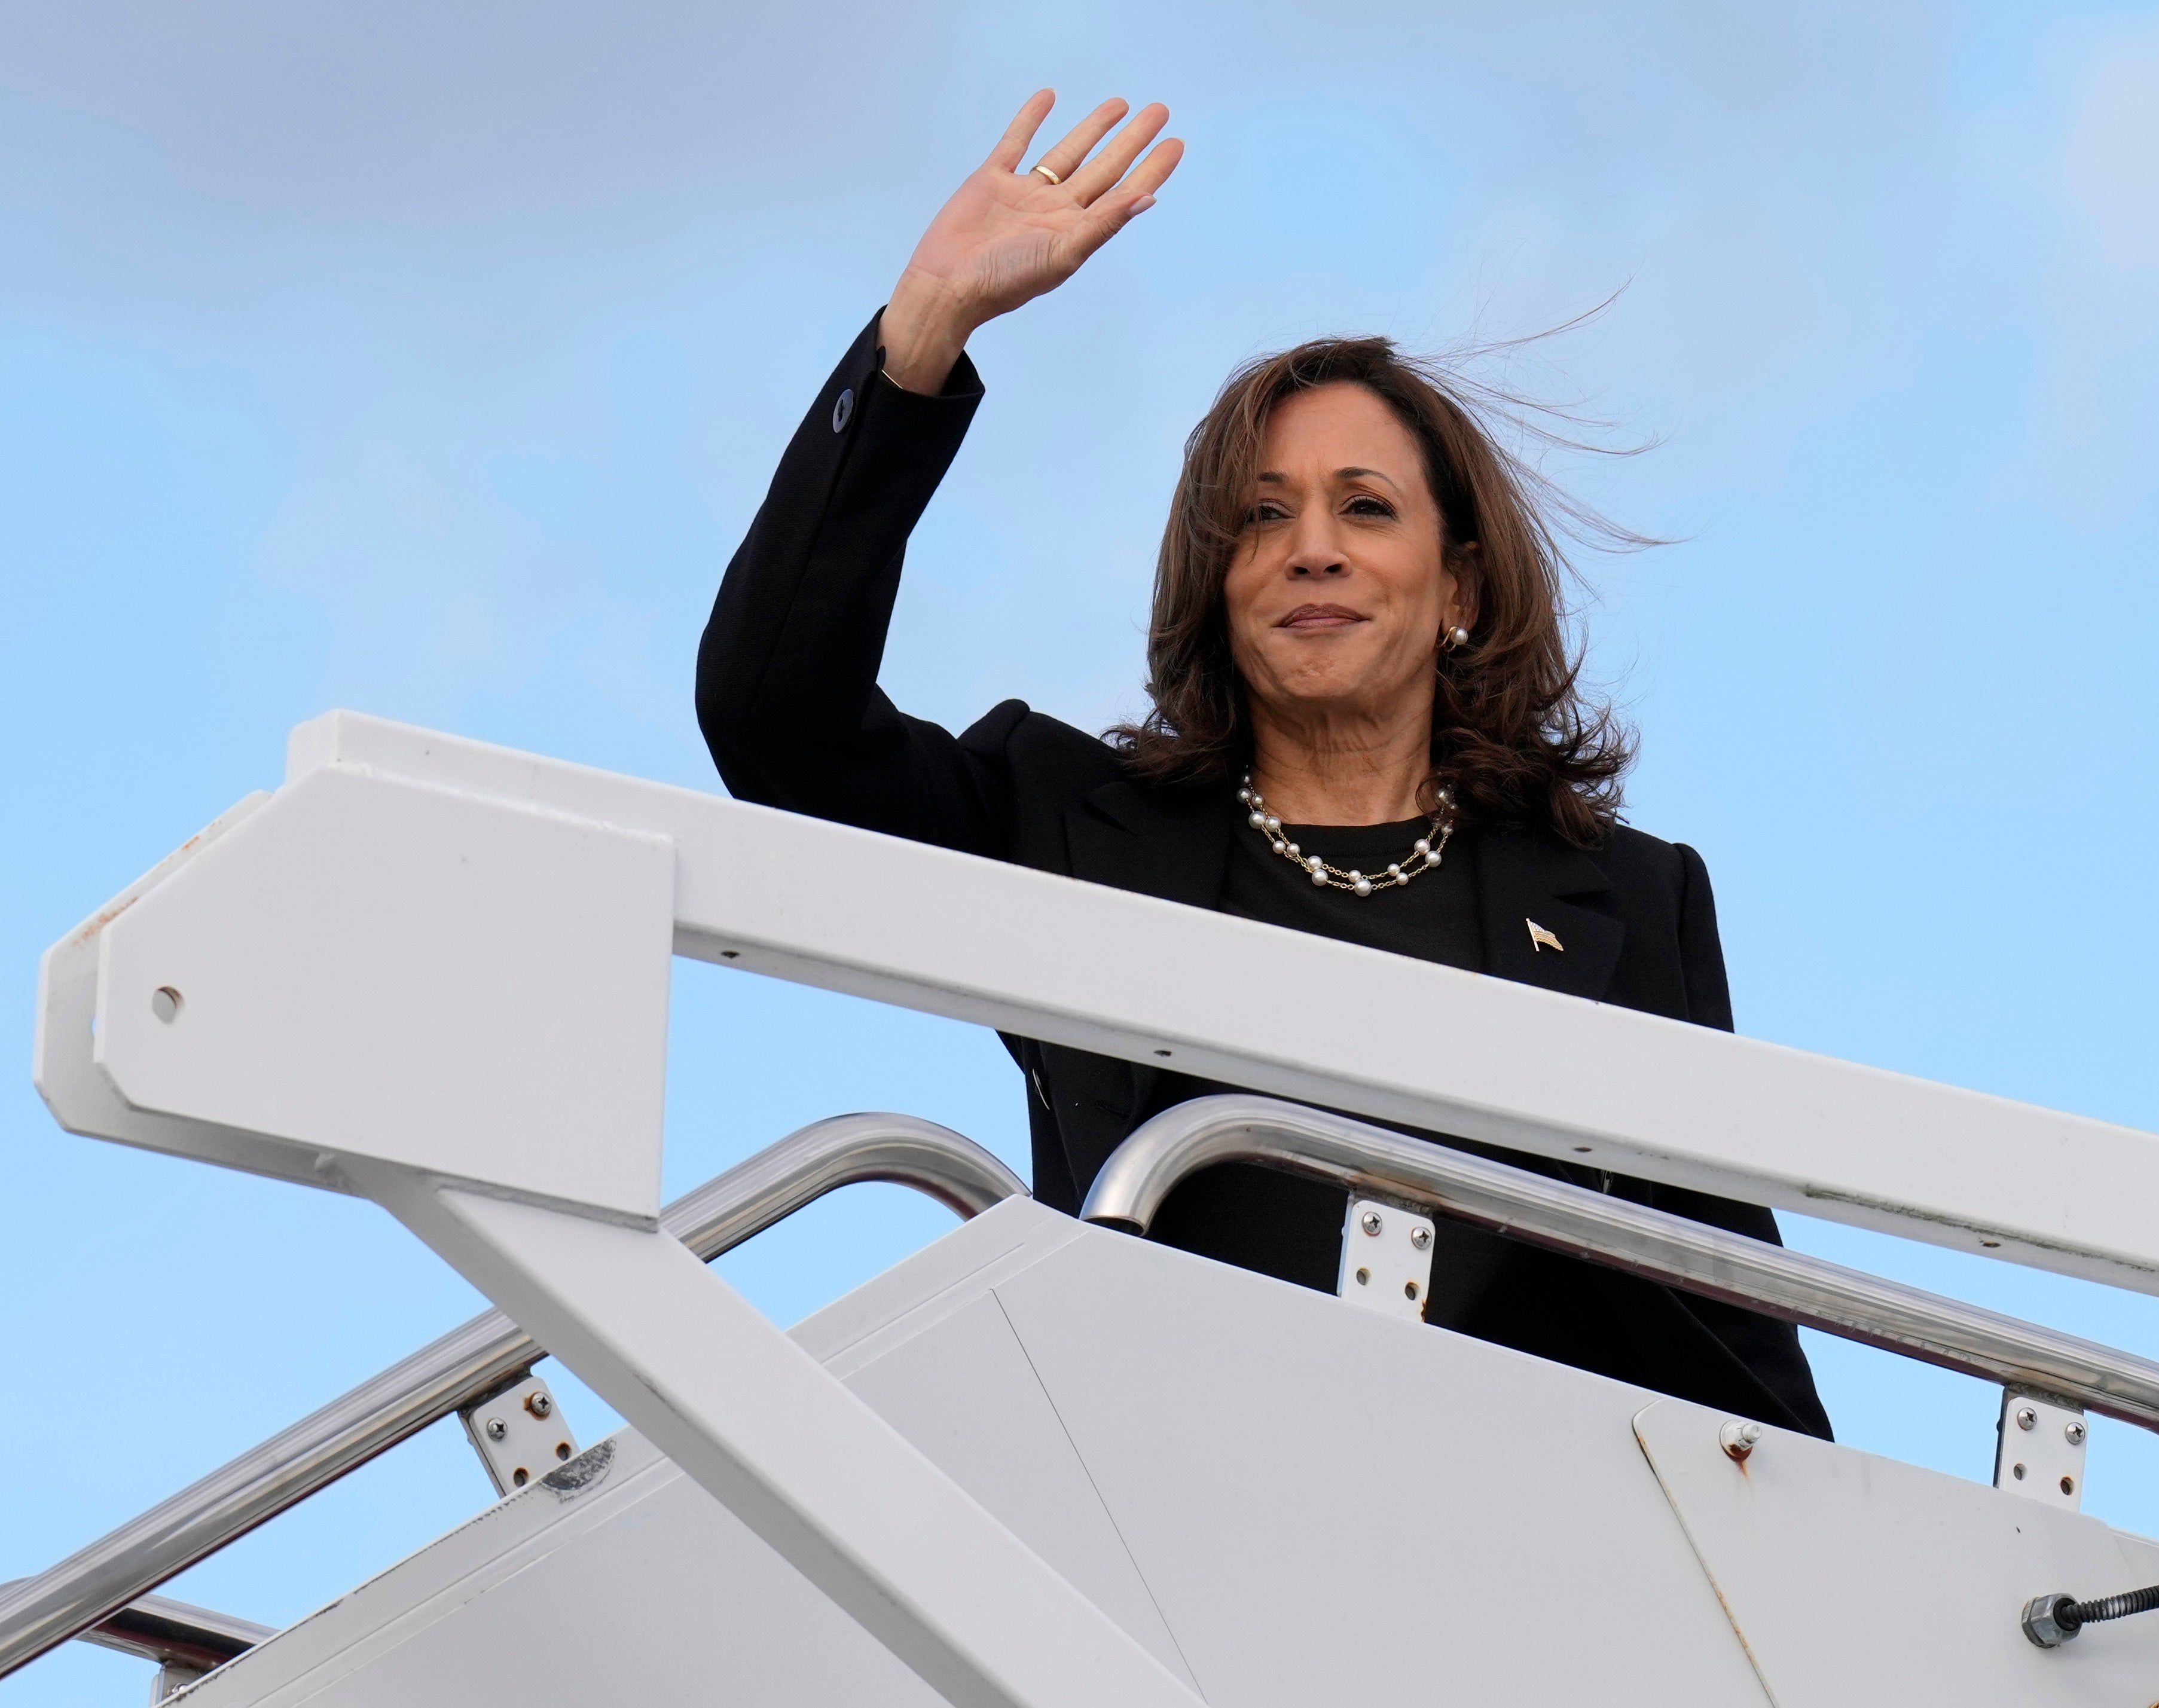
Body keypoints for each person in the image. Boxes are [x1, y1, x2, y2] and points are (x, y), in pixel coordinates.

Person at [697, 91, 1829, 1438]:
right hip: (1156, 1532)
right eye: (1262, 515)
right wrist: (923, 335)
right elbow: (776, 718)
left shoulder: (1629, 901)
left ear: (1458, 578)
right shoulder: (1062, 822)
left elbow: (1728, 1332)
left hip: (1519, 1554)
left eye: (1365, 506)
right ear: (1215, 580)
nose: (1313, 548)